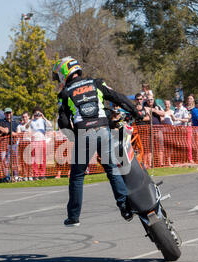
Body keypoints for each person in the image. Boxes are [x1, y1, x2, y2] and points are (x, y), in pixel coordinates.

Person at [52, 56, 142, 227]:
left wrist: (74, 137)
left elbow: (63, 123)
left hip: (84, 133)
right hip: (102, 130)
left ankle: (74, 217)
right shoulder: (96, 83)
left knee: (77, 177)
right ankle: (125, 207)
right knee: (111, 169)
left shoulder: (64, 93)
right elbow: (119, 97)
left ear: (64, 73)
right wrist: (136, 113)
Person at [30, 107, 52, 180]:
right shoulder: (32, 121)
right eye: (36, 113)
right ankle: (35, 175)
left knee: (43, 159)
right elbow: (26, 126)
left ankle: (42, 174)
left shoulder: (43, 120)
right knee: (34, 159)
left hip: (42, 140)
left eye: (38, 113)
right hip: (34, 141)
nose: (37, 114)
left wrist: (44, 117)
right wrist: (31, 119)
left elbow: (50, 125)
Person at [0, 108, 20, 182]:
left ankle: (16, 176)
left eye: (9, 113)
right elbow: (6, 131)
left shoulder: (15, 122)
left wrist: (14, 134)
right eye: (7, 113)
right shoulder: (2, 122)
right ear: (4, 114)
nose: (8, 114)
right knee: (6, 162)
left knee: (15, 161)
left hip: (14, 144)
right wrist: (11, 132)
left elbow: (17, 133)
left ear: (12, 113)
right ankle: (7, 176)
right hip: (5, 145)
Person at [17, 111, 33, 181]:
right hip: (22, 144)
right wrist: (25, 133)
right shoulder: (20, 126)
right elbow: (18, 134)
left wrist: (26, 133)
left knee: (29, 160)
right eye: (23, 117)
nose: (24, 118)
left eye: (26, 117)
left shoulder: (32, 124)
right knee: (23, 161)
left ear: (28, 117)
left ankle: (30, 175)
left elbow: (32, 133)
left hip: (29, 143)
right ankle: (25, 175)